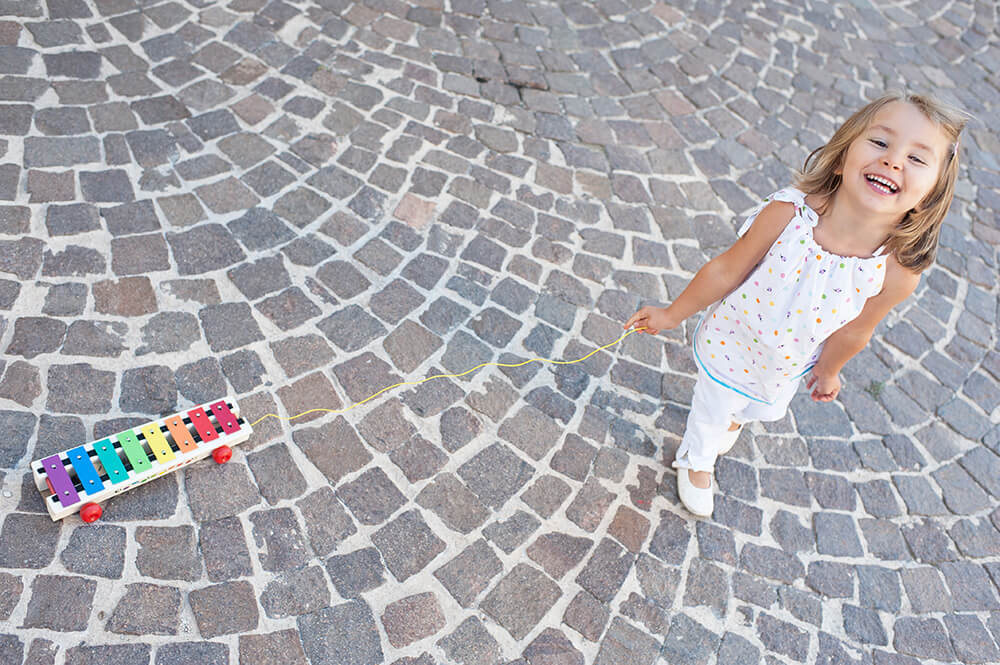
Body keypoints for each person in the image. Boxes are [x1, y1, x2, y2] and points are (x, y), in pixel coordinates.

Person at [624, 93, 968, 517]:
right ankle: (696, 460)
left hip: (787, 361)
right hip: (735, 340)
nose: (893, 161)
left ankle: (735, 418)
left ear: (929, 195)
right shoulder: (790, 213)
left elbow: (858, 329)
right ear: (842, 158)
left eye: (917, 159)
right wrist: (672, 314)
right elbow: (727, 269)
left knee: (760, 408)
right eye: (880, 143)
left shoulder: (896, 271)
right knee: (711, 408)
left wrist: (829, 370)